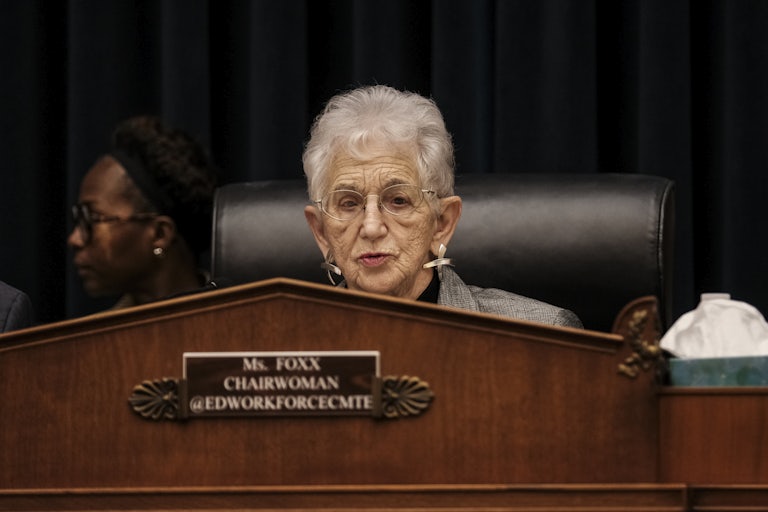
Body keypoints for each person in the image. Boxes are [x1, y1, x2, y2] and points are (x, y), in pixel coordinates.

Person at [302, 85, 582, 328]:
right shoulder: (285, 338)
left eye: (398, 200)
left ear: (442, 223)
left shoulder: (543, 335)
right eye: (349, 203)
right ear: (321, 232)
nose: (372, 227)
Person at [67, 115, 218, 310]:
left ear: (160, 234)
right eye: (79, 219)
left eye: (92, 219)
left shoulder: (238, 320)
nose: (75, 239)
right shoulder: (98, 330)